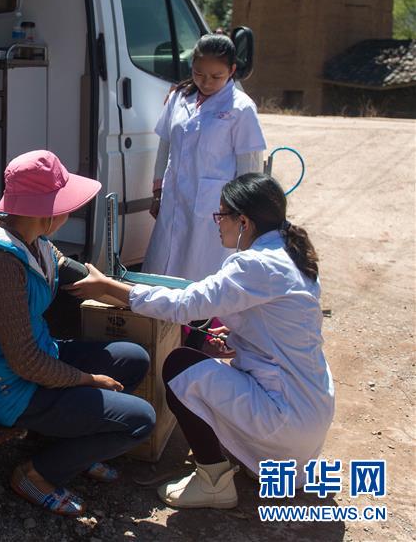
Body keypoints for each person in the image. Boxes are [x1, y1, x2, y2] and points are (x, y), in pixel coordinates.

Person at [67, 173, 334, 509]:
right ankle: (263, 456)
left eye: (221, 215)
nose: (217, 223)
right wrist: (242, 337)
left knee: (180, 365)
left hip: (285, 420)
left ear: (244, 221)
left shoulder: (255, 265)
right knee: (207, 372)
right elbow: (282, 326)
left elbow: (183, 305)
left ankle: (214, 482)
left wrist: (106, 286)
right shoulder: (288, 252)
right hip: (310, 412)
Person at [0, 150, 155, 516]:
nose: (69, 212)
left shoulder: (32, 239)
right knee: (140, 422)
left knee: (133, 357)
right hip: (6, 387)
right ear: (47, 212)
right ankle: (38, 475)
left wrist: (118, 289)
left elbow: (65, 268)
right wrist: (87, 380)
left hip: (36, 359)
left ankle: (81, 444)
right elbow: (24, 361)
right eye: (65, 204)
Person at [147, 34, 267, 283]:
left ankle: (201, 322)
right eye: (199, 74)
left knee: (204, 277)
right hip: (174, 199)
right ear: (192, 66)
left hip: (216, 209)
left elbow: (250, 167)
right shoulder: (180, 98)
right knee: (163, 273)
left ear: (232, 71)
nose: (207, 83)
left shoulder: (241, 108)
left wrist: (242, 212)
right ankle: (162, 321)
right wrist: (159, 191)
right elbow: (165, 144)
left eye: (216, 77)